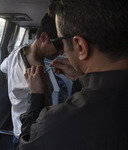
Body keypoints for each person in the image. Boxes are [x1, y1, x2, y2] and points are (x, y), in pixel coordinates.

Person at [18, 0, 128, 149]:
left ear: (80, 46)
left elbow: (26, 144)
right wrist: (80, 79)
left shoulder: (55, 124)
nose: (62, 51)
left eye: (61, 41)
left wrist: (36, 96)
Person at [0, 13, 63, 149]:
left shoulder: (16, 53)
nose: (62, 51)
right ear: (44, 38)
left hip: (17, 127)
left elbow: (3, 67)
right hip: (31, 134)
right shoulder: (40, 77)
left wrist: (13, 74)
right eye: (58, 45)